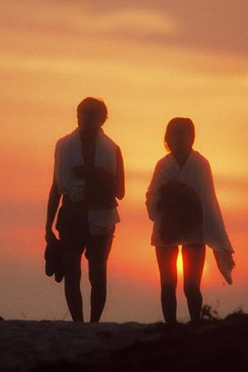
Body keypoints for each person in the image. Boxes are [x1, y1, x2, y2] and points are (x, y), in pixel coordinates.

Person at [146, 117, 235, 324]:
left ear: (192, 137)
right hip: (166, 229)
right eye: (174, 133)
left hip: (195, 230)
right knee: (167, 284)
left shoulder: (201, 165)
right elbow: (152, 197)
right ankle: (170, 326)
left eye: (182, 133)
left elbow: (208, 200)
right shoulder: (163, 165)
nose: (178, 137)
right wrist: (169, 198)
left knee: (191, 286)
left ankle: (196, 324)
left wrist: (217, 237)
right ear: (167, 138)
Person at [45, 97, 125, 322]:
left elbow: (120, 191)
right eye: (83, 114)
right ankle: (78, 323)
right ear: (77, 115)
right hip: (72, 214)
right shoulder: (63, 147)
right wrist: (48, 225)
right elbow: (56, 187)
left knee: (97, 274)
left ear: (102, 120)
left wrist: (93, 173)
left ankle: (94, 323)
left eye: (92, 115)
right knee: (72, 273)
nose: (87, 119)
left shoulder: (113, 150)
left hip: (101, 216)